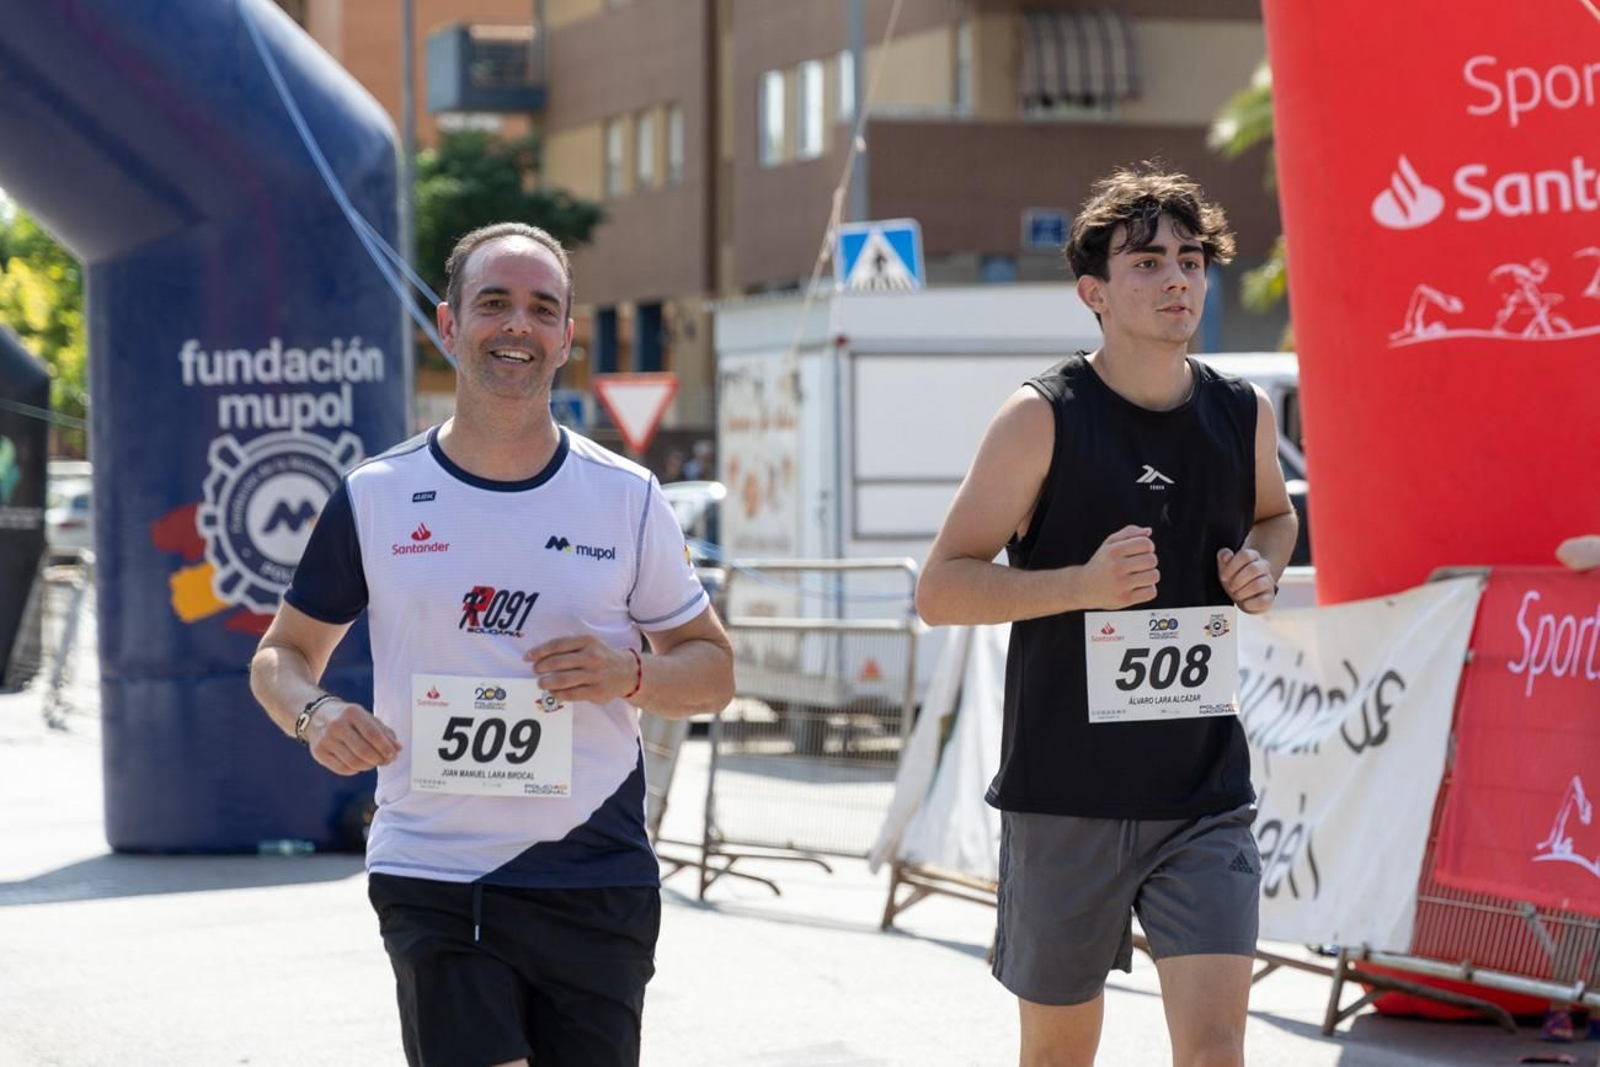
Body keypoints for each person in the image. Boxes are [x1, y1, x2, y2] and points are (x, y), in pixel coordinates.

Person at [248, 222, 735, 1067]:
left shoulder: (626, 497)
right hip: (434, 871)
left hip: (593, 871)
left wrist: (632, 674)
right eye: (494, 303)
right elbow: (280, 656)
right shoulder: (379, 496)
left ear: (566, 339)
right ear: (449, 324)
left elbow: (715, 669)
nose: (518, 325)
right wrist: (315, 713)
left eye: (542, 309)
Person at [916, 166, 1298, 1067]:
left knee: (1214, 1053)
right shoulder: (1040, 418)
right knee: (1059, 1058)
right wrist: (1077, 585)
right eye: (1148, 261)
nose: (1177, 279)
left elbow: (1278, 517)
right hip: (1066, 799)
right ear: (1094, 291)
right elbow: (941, 588)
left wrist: (1261, 567)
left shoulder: (1242, 412)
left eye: (1193, 259)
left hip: (1202, 798)